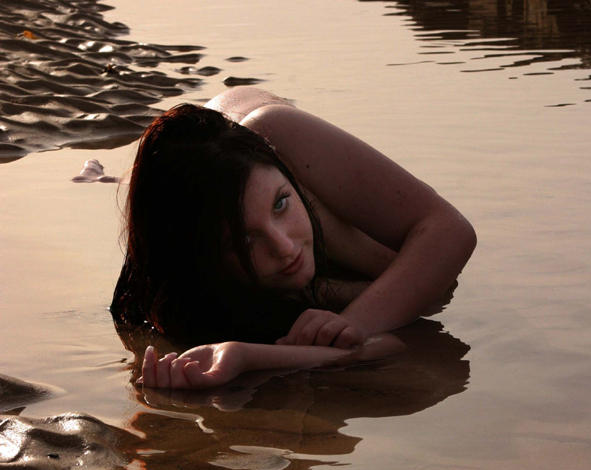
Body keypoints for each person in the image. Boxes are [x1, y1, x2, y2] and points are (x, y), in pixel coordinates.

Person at [111, 86, 476, 390]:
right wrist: (245, 354)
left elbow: (450, 232)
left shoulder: (275, 137)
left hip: (271, 144)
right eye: (245, 240)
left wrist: (353, 323)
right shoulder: (187, 290)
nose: (283, 247)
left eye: (281, 204)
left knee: (409, 274)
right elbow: (383, 347)